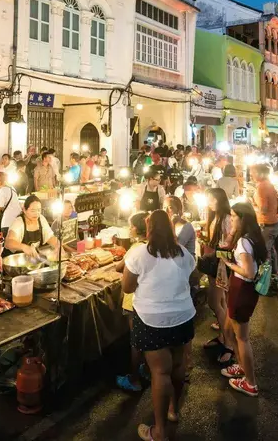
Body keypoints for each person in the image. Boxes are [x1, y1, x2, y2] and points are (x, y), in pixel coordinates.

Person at [123, 209, 197, 440]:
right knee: (177, 367)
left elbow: (126, 287)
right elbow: (192, 278)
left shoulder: (139, 253)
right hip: (183, 316)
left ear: (149, 228)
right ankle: (174, 410)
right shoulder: (184, 253)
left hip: (151, 319)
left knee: (160, 372)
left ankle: (159, 432)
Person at [218, 202, 267, 397]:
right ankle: (241, 366)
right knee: (231, 331)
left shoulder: (244, 243)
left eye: (233, 216)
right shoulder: (253, 237)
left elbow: (248, 271)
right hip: (242, 290)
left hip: (242, 290)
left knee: (242, 338)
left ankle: (250, 383)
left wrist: (229, 264)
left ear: (242, 219)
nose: (230, 219)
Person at [116, 211, 150, 393]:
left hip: (133, 302)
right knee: (144, 338)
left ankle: (134, 379)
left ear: (136, 229)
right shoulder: (152, 246)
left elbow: (119, 267)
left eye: (130, 226)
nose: (129, 229)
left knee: (136, 341)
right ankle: (145, 368)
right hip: (146, 300)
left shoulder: (136, 248)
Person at [203, 188, 233, 363]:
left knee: (214, 302)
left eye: (211, 199)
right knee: (220, 302)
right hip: (216, 263)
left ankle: (229, 343)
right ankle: (224, 336)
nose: (209, 202)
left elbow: (229, 245)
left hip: (220, 265)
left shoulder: (226, 219)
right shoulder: (215, 217)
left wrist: (214, 251)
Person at [251, 164, 278, 294]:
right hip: (273, 223)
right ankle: (274, 277)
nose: (251, 175)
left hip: (265, 224)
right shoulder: (269, 184)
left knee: (265, 254)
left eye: (254, 173)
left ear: (261, 174)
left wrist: (252, 206)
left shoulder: (262, 188)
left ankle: (265, 284)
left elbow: (263, 209)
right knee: (271, 252)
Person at [0, 171, 21, 236]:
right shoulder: (12, 188)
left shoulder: (2, 190)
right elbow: (3, 202)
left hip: (8, 222)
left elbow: (0, 207)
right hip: (17, 220)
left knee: (7, 243)